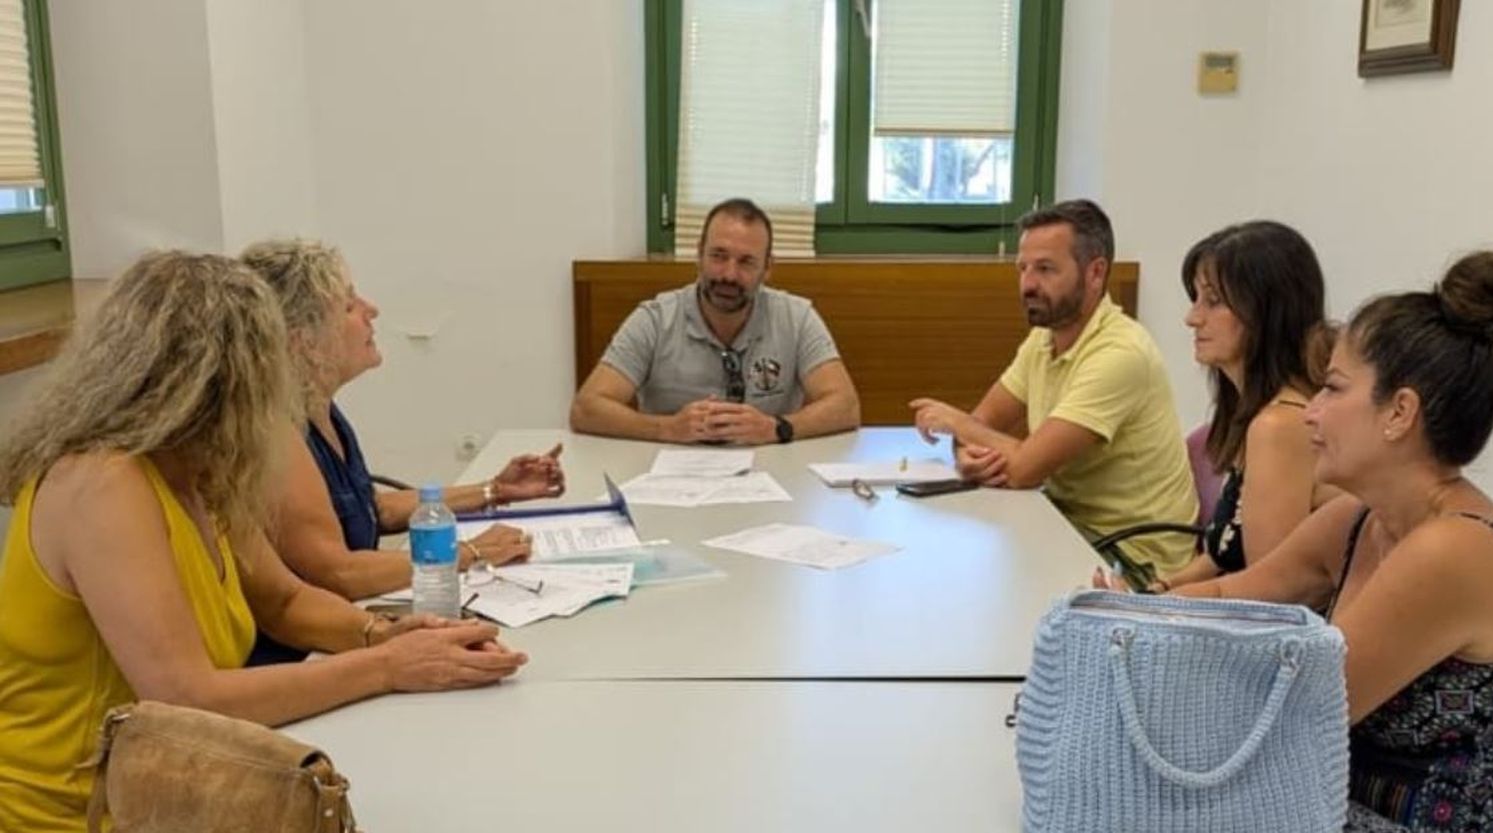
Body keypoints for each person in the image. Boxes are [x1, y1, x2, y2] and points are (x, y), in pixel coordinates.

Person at [0, 252, 526, 832]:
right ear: (217, 383)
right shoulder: (102, 484)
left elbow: (283, 601)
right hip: (79, 816)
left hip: (168, 792)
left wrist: (382, 633)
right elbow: (183, 696)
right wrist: (387, 666)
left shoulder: (201, 473)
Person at [1171, 252, 1493, 829]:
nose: (1310, 414)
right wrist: (1125, 610)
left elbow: (1296, 713)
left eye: (1332, 389)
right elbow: (1231, 600)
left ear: (1399, 412)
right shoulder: (1357, 520)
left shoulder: (1452, 550)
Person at [239, 239, 564, 607]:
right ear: (304, 343)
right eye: (348, 306)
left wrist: (495, 490)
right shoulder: (276, 432)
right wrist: (470, 552)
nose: (371, 311)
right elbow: (337, 573)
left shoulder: (320, 408)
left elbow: (372, 508)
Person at [909, 199, 1198, 579]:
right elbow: (985, 421)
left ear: (1095, 273)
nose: (1028, 285)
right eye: (1023, 269)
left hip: (1134, 561)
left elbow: (1025, 468)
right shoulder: (1044, 339)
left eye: (1045, 269)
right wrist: (966, 455)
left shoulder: (1120, 353)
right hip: (1067, 525)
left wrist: (958, 425)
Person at [569, 197, 861, 445]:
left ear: (768, 268)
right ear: (699, 255)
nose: (729, 275)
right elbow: (586, 408)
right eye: (719, 256)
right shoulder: (655, 319)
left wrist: (776, 427)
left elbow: (845, 406)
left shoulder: (796, 317)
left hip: (771, 477)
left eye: (746, 262)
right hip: (670, 479)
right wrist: (667, 428)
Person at [1152, 221, 1341, 592]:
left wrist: (1159, 609)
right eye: (1195, 299)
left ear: (1266, 312)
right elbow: (1228, 548)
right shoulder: (1259, 410)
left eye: (1213, 301)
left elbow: (1266, 598)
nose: (1192, 318)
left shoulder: (1279, 424)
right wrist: (1159, 589)